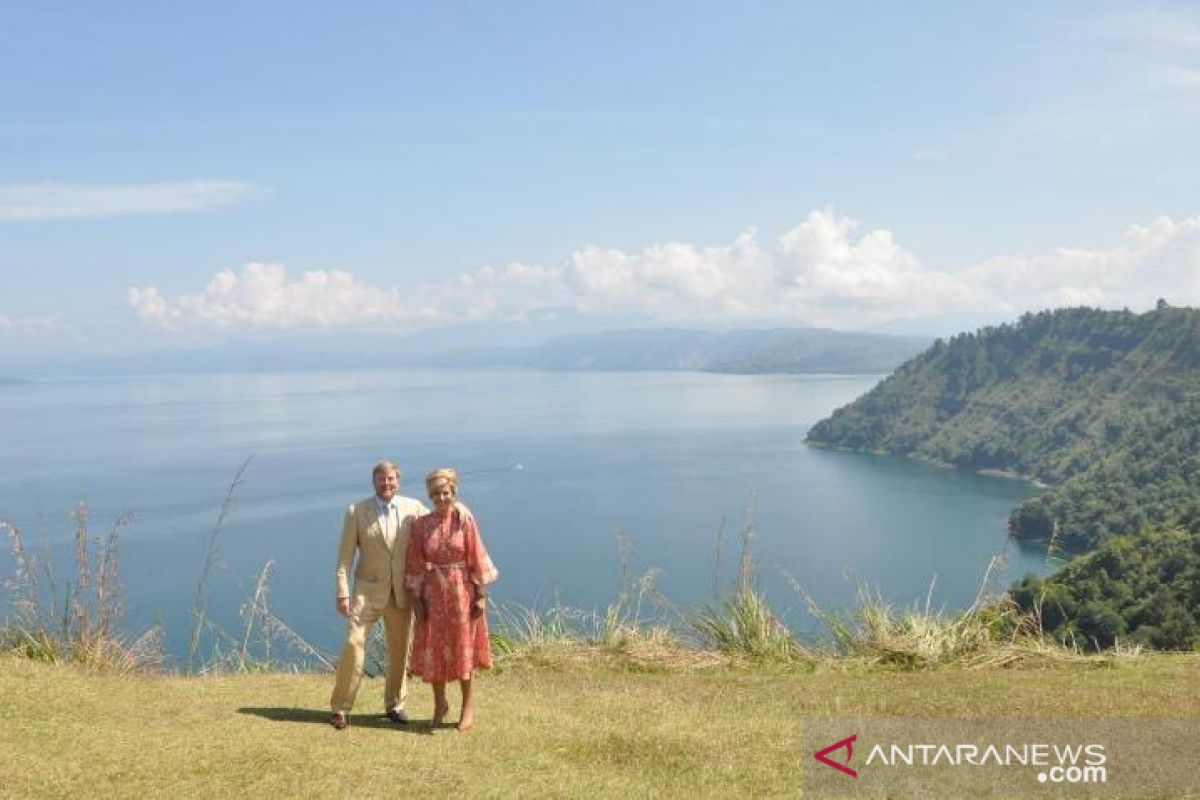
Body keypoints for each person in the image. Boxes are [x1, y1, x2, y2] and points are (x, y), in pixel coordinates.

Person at [329, 461, 429, 730]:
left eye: (391, 479)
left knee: (399, 651)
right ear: (374, 482)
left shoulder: (414, 508)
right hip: (366, 592)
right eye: (381, 479)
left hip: (400, 593)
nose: (387, 484)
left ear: (399, 481)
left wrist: (460, 511)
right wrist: (342, 593)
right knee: (353, 644)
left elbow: (438, 524)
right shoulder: (357, 511)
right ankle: (340, 708)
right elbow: (344, 560)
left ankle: (395, 705)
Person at [405, 468, 498, 731]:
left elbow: (477, 555)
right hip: (433, 593)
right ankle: (439, 704)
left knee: (463, 647)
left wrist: (481, 595)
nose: (440, 498)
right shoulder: (421, 525)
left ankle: (467, 706)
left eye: (445, 493)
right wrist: (416, 601)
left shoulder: (464, 520)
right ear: (429, 495)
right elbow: (414, 563)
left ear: (453, 493)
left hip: (462, 593)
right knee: (435, 649)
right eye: (435, 493)